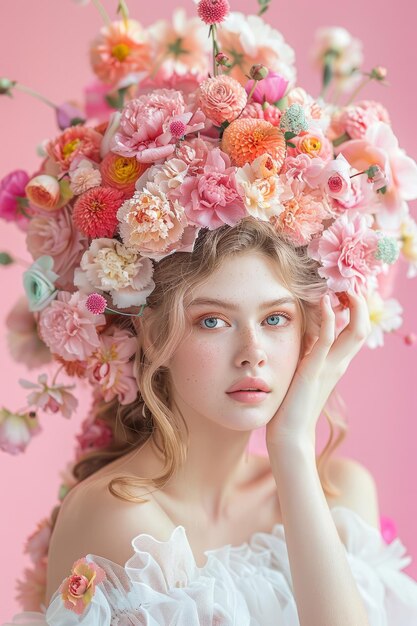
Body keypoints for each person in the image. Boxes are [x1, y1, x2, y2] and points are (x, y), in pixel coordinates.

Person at [6, 218, 417, 625]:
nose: (252, 353)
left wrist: (292, 448)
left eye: (275, 319)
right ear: (152, 333)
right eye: (213, 321)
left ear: (310, 334)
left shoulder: (342, 495)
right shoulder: (124, 521)